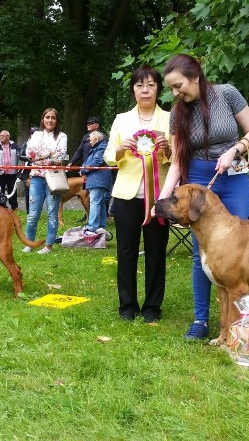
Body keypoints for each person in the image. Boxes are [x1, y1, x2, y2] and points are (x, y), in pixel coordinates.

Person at [157, 54, 249, 339]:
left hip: (234, 175)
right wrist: (161, 202)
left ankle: (235, 323)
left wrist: (234, 150)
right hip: (199, 178)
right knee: (201, 254)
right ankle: (201, 320)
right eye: (172, 89)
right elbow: (177, 161)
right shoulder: (179, 112)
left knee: (236, 248)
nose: (176, 93)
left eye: (179, 86)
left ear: (195, 76)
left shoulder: (227, 94)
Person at [105, 65, 172, 323]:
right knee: (126, 250)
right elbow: (109, 156)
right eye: (139, 85)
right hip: (126, 195)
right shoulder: (122, 120)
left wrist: (167, 149)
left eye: (151, 85)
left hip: (160, 195)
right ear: (133, 90)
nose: (145, 90)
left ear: (158, 89)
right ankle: (128, 306)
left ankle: (153, 307)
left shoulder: (170, 119)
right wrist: (121, 149)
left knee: (156, 251)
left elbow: (178, 159)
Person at [23, 108, 67, 254]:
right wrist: (49, 153)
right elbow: (29, 153)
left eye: (53, 117)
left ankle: (48, 245)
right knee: (33, 214)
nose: (50, 120)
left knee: (52, 213)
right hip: (36, 177)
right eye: (47, 117)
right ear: (42, 119)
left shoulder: (62, 136)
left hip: (54, 178)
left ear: (57, 120)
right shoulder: (36, 134)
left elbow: (60, 157)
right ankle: (29, 243)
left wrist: (40, 156)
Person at [80, 130, 111, 235]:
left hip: (98, 179)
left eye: (90, 138)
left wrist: (83, 170)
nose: (89, 140)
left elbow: (96, 162)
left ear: (96, 139)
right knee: (100, 202)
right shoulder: (96, 149)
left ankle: (92, 226)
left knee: (95, 202)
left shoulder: (101, 148)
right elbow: (87, 162)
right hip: (96, 179)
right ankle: (101, 225)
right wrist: (83, 168)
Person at [0, 130, 22, 211]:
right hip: (0, 172)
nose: (1, 137)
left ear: (8, 137)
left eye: (3, 135)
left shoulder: (14, 145)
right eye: (0, 135)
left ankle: (14, 206)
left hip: (12, 172)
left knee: (12, 189)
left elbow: (20, 155)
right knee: (0, 189)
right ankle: (2, 205)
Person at [19, 126, 38, 213]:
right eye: (33, 133)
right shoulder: (26, 143)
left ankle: (37, 209)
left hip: (38, 169)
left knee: (38, 189)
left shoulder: (42, 144)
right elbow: (20, 155)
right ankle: (28, 210)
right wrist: (29, 158)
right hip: (27, 169)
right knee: (27, 190)